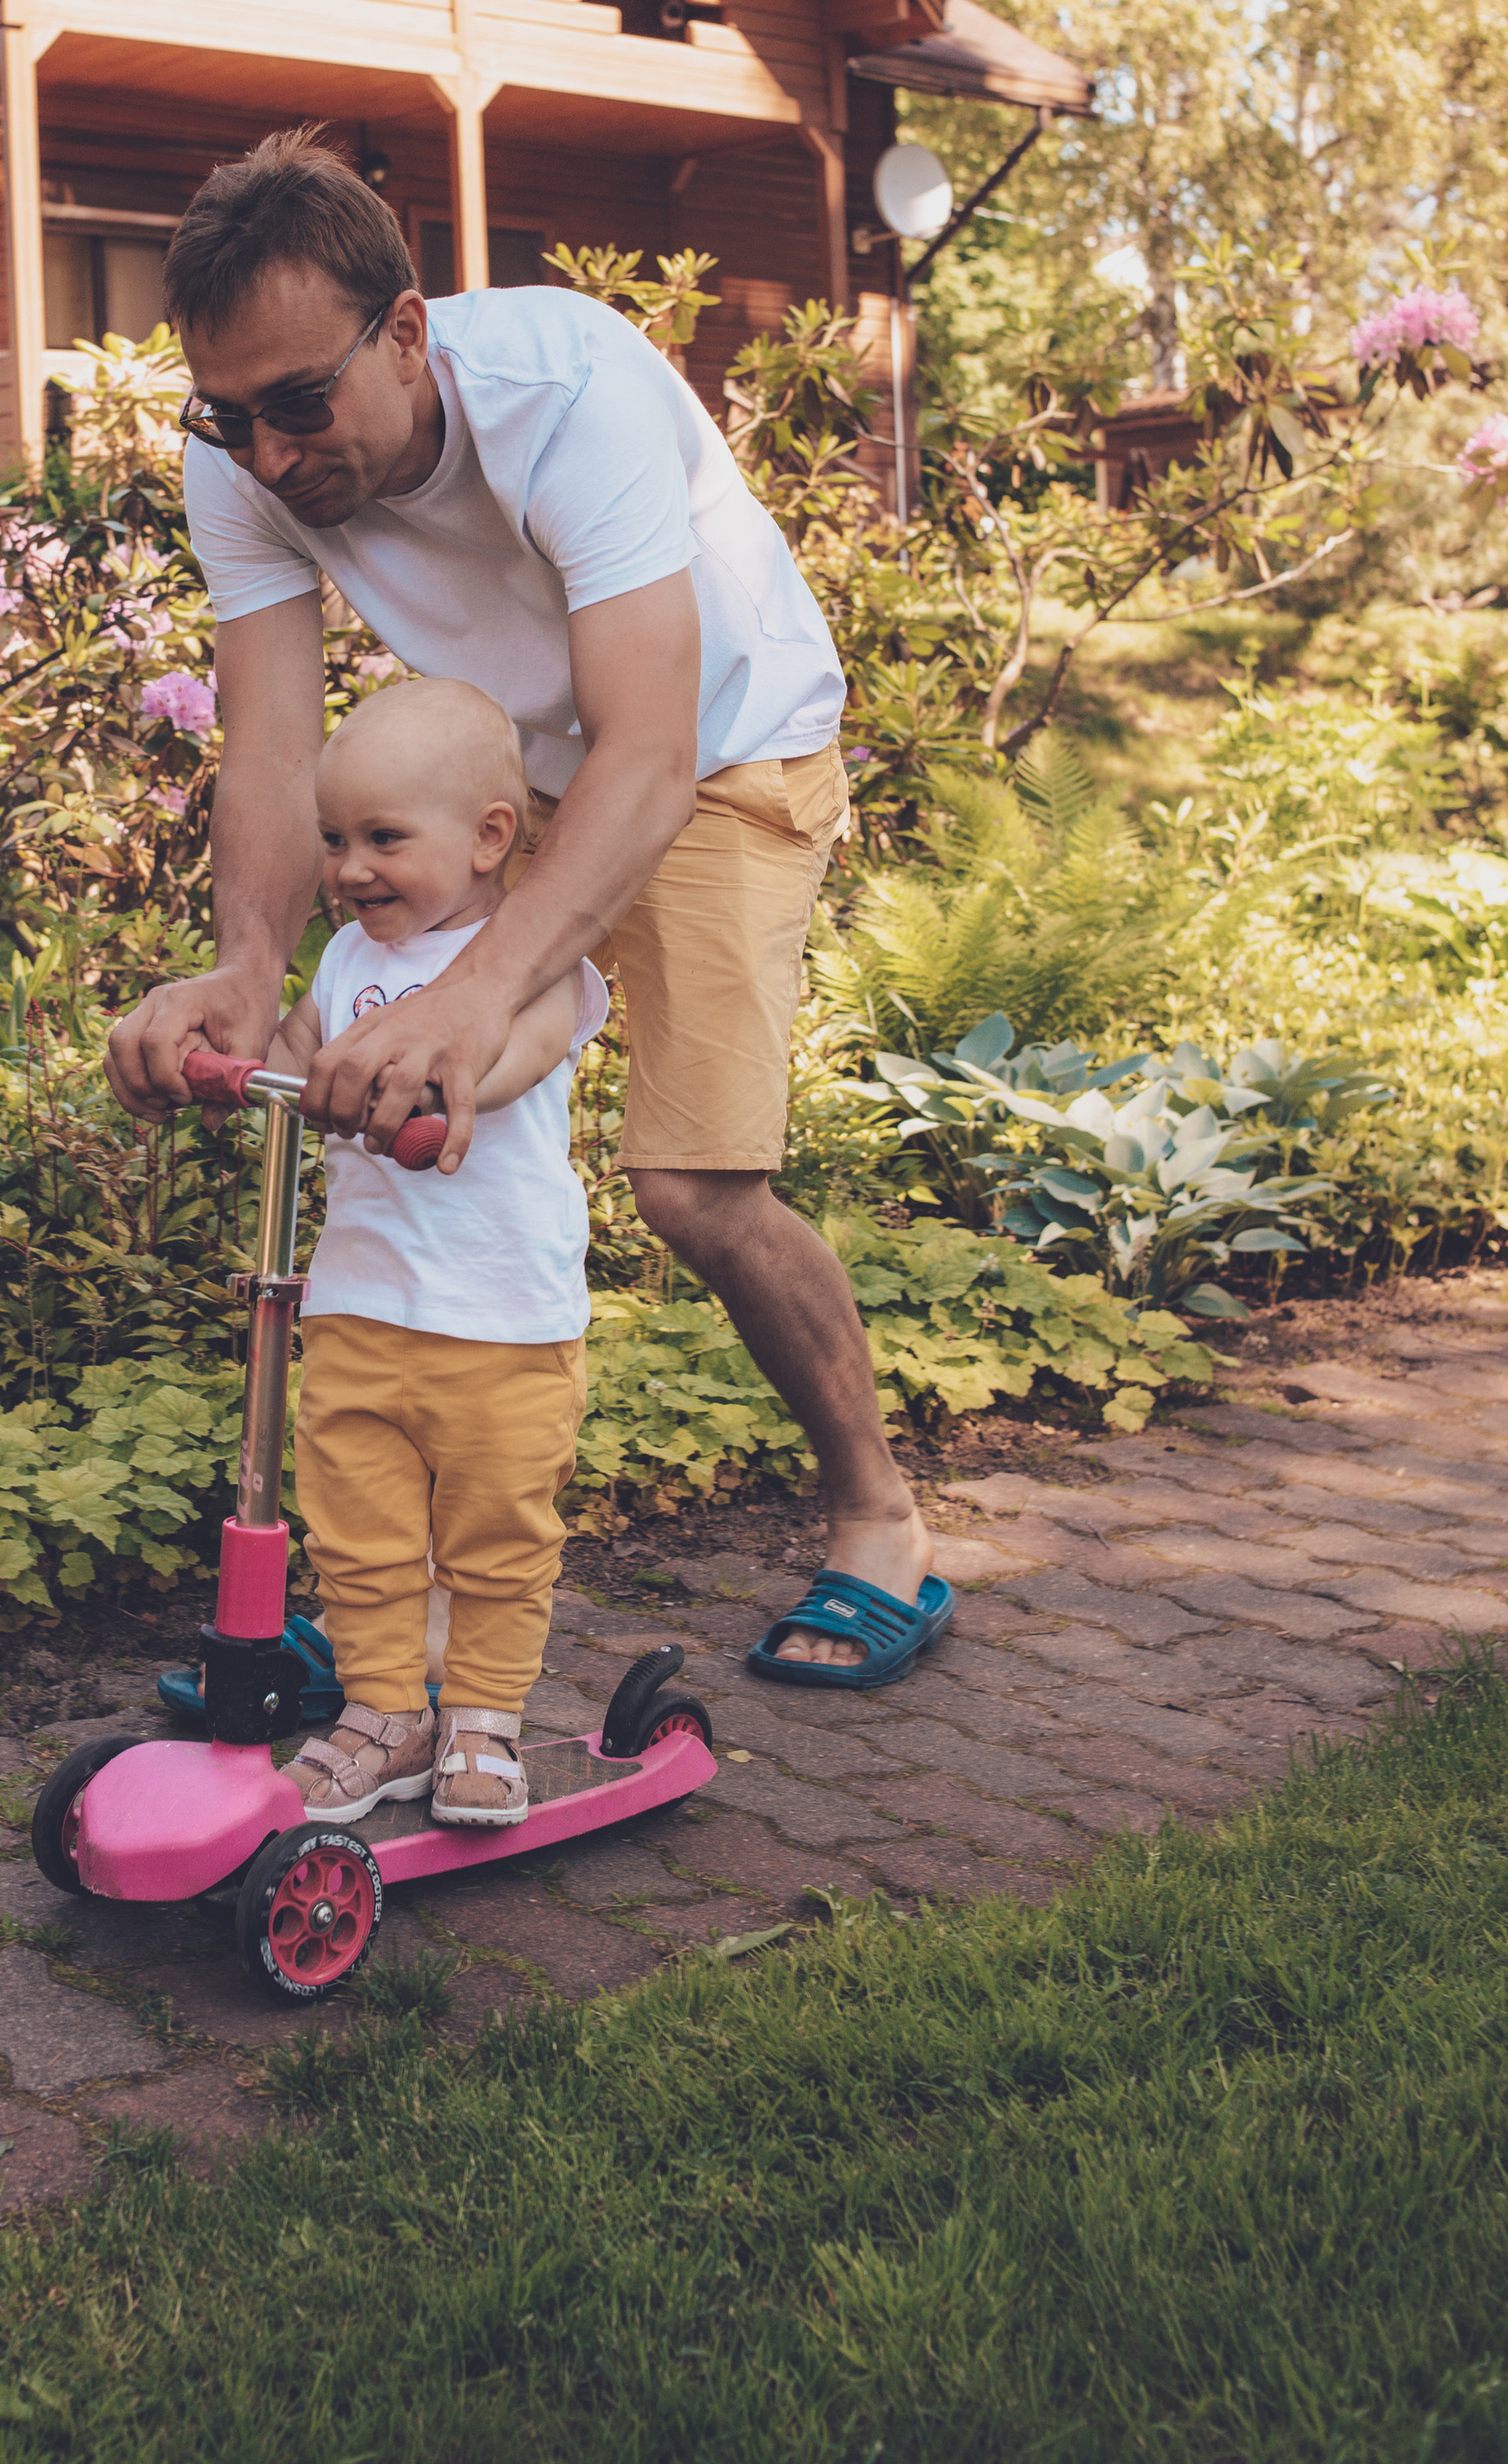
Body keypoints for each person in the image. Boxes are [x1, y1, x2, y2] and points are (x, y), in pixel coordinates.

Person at [107, 130, 946, 1689]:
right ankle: (389, 1598)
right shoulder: (240, 465)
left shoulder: (568, 391)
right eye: (230, 415)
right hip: (504, 772)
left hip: (717, 750)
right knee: (384, 1132)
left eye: (303, 404)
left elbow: (648, 750)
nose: (273, 456)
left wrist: (479, 994)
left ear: (407, 332)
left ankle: (879, 1517)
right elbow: (274, 745)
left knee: (694, 1188)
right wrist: (240, 972)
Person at [264, 674, 606, 1821]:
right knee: (359, 1533)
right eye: (334, 839)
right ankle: (383, 1713)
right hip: (360, 1305)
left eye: (383, 838)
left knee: (496, 1538)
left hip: (500, 1318)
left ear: (487, 838)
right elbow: (301, 1050)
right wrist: (249, 1050)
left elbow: (507, 1068)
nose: (351, 868)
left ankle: (483, 1728)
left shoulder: (538, 968)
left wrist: (430, 1093)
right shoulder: (345, 960)